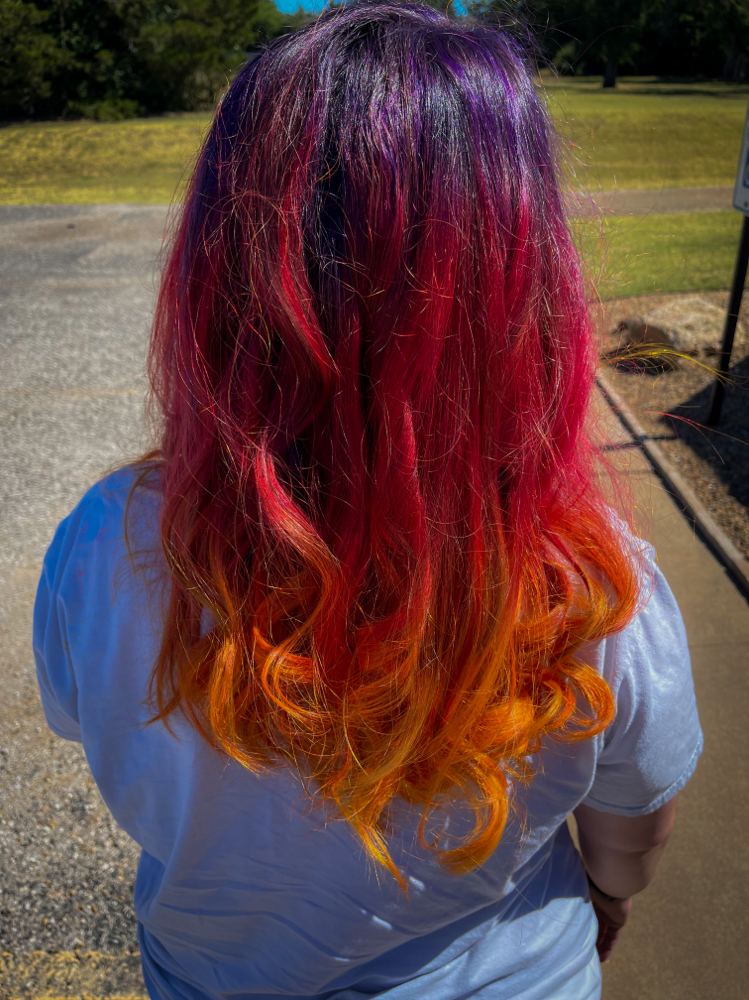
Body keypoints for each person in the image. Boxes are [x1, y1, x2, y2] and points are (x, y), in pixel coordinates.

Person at [33, 4, 702, 998]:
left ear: (224, 259)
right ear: (520, 277)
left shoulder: (111, 543)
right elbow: (631, 826)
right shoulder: (591, 583)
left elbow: (84, 722)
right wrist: (606, 897)